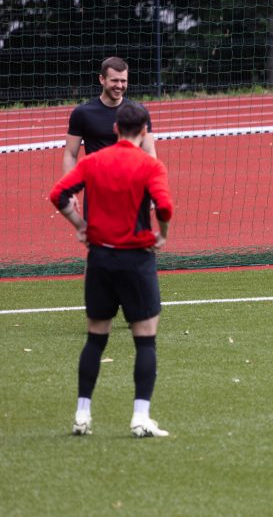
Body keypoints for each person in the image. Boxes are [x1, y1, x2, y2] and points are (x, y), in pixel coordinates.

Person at [50, 101, 174, 438]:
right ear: (145, 131)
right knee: (145, 343)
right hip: (136, 261)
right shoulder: (150, 166)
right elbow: (164, 205)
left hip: (100, 261)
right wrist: (161, 235)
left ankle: (81, 414)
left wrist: (80, 225)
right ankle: (139, 418)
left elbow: (59, 193)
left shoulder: (92, 162)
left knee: (95, 340)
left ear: (115, 129)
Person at [63, 56, 156, 174]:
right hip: (96, 189)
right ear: (102, 79)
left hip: (129, 188)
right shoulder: (82, 113)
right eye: (115, 80)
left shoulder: (139, 112)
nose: (119, 86)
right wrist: (69, 190)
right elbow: (71, 154)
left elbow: (149, 153)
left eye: (123, 81)